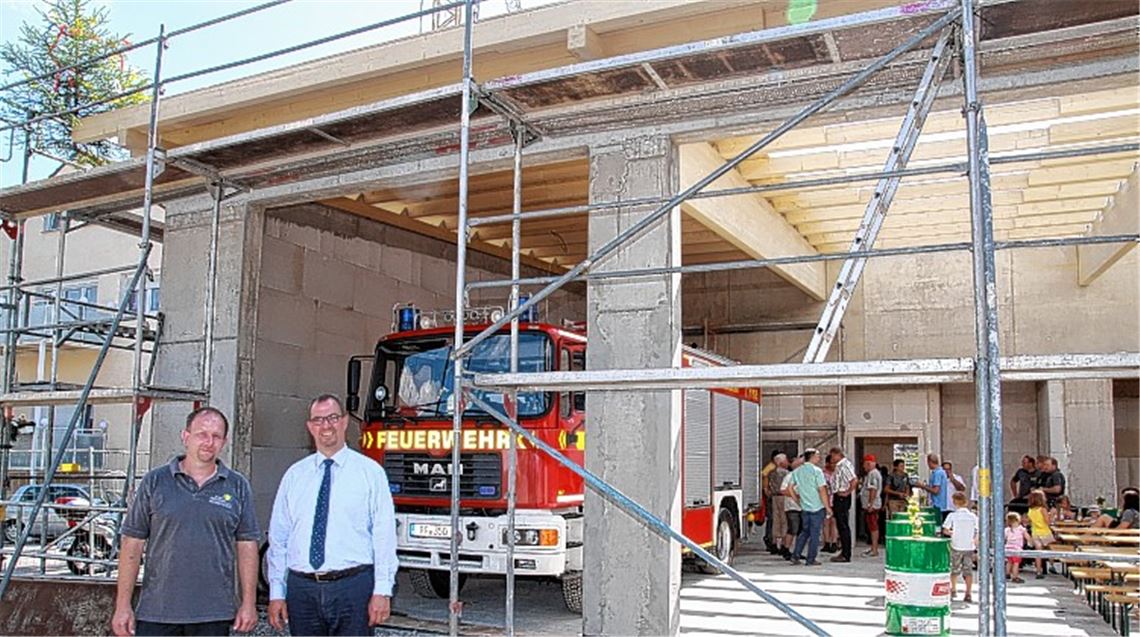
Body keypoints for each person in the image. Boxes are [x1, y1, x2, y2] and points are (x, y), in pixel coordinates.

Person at [112, 407, 260, 637]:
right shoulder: (155, 482)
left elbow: (247, 546)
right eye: (202, 434)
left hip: (214, 614)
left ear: (225, 441)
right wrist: (123, 606)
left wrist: (248, 603)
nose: (209, 442)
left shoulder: (237, 486)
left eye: (216, 436)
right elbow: (132, 543)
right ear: (186, 436)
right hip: (157, 612)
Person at [267, 394, 398, 636]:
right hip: (302, 590)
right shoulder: (294, 476)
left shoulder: (370, 473)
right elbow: (279, 538)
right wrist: (277, 592)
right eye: (318, 420)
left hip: (353, 588)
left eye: (332, 418)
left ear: (345, 421)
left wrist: (382, 589)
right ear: (309, 427)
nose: (326, 426)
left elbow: (384, 536)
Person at [786, 448, 832, 567]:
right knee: (815, 534)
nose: (819, 458)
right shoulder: (817, 471)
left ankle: (795, 555)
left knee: (804, 532)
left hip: (805, 507)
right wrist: (827, 506)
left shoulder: (797, 471)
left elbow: (790, 487)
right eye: (817, 456)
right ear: (811, 457)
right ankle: (811, 559)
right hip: (817, 507)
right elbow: (822, 489)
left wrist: (797, 499)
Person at [942, 492, 977, 603]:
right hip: (969, 546)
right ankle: (968, 593)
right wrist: (975, 541)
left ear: (954, 502)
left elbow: (945, 530)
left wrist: (952, 533)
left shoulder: (952, 516)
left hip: (956, 544)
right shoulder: (973, 516)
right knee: (968, 570)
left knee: (954, 568)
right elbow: (978, 530)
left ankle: (953, 589)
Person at [826, 448, 857, 563]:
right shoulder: (839, 466)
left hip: (842, 497)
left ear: (838, 454)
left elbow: (853, 480)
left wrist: (847, 492)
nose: (832, 458)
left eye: (833, 455)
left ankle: (846, 553)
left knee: (843, 525)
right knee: (840, 524)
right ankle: (844, 551)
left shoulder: (844, 465)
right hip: (838, 496)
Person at [1026, 490, 1054, 579]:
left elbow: (1029, 522)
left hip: (1035, 532)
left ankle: (1038, 570)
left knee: (1038, 552)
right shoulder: (1042, 509)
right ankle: (1051, 565)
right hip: (1045, 532)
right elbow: (1047, 521)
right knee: (1051, 549)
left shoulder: (1030, 510)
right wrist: (1051, 515)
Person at [859, 454, 882, 558]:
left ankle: (874, 549)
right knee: (871, 526)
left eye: (864, 464)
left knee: (873, 527)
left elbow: (873, 489)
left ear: (868, 463)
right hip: (872, 504)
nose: (864, 467)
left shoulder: (873, 474)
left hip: (872, 505)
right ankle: (873, 547)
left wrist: (870, 504)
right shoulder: (872, 473)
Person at [781, 455, 803, 561]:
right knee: (793, 529)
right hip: (792, 507)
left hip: (803, 507)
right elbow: (783, 490)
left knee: (801, 530)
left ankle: (797, 551)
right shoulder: (790, 476)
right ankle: (786, 549)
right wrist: (796, 495)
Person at [767, 453, 789, 557]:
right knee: (784, 520)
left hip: (774, 497)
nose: (787, 462)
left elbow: (769, 486)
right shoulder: (786, 473)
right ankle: (784, 544)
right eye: (785, 460)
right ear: (781, 462)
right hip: (784, 497)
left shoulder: (771, 473)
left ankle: (775, 543)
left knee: (776, 520)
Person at [919, 454, 949, 522]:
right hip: (939, 504)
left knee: (936, 525)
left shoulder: (938, 473)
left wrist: (923, 486)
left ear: (930, 462)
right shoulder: (940, 472)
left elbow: (936, 491)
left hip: (937, 504)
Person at [762, 450, 781, 552]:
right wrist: (766, 489)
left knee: (772, 519)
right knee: (772, 518)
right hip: (770, 495)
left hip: (770, 494)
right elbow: (764, 475)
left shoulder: (772, 467)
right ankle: (769, 540)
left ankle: (771, 540)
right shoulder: (771, 467)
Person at [1004, 512, 1031, 584]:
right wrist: (1030, 542)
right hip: (1017, 549)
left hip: (1008, 547)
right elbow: (1027, 537)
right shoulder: (1021, 529)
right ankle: (1015, 576)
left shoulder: (1007, 529)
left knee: (1009, 562)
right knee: (1016, 563)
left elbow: (1004, 538)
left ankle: (1007, 573)